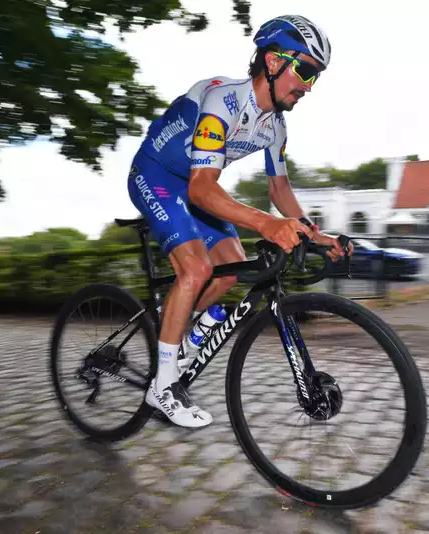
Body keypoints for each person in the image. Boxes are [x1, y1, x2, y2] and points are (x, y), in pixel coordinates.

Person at [126, 15, 352, 428]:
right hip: (157, 175)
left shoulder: (276, 127)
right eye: (304, 70)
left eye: (315, 76)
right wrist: (267, 225)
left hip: (198, 185)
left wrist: (317, 237)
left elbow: (280, 192)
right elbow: (201, 190)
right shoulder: (222, 102)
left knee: (230, 270)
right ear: (272, 61)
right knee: (197, 268)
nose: (307, 86)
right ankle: (162, 386)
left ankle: (186, 338)